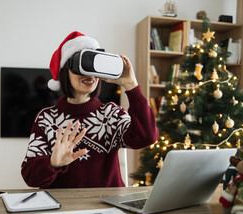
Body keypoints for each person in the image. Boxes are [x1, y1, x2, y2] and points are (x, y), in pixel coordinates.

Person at [21, 31, 159, 188]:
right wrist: (53, 163)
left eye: (94, 67)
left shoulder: (111, 113)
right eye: (82, 66)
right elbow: (30, 177)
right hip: (60, 207)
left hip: (107, 207)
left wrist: (131, 86)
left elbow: (146, 137)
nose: (90, 75)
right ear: (65, 71)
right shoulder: (46, 118)